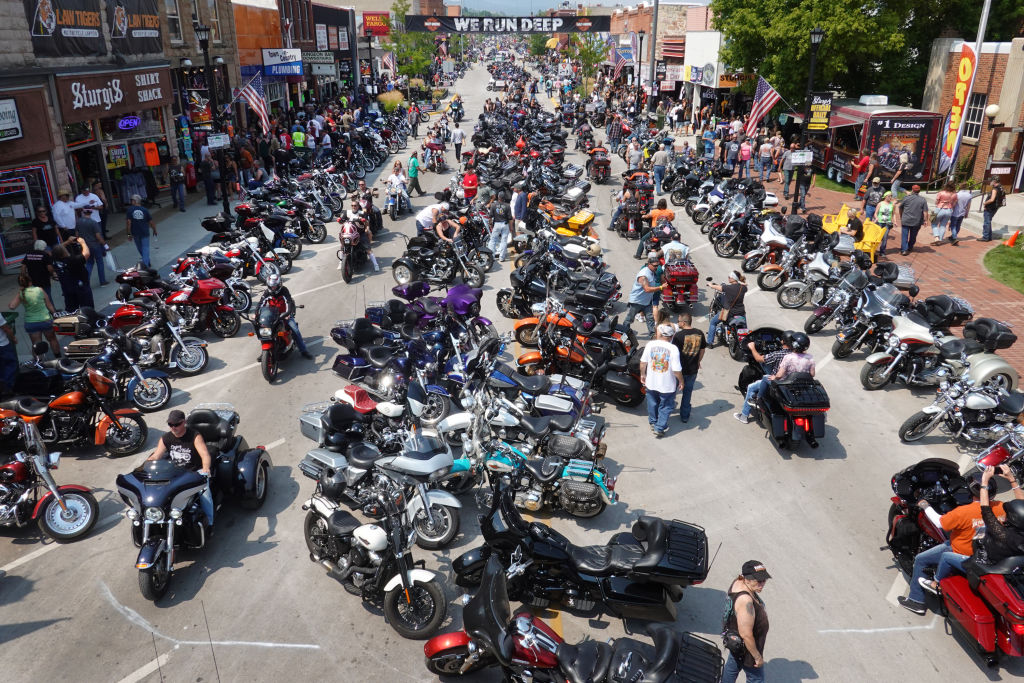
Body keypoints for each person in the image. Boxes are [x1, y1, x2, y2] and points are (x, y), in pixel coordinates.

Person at [899, 472, 1004, 615]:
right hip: (986, 554)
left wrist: (925, 505)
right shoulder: (1000, 507)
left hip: (960, 551)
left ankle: (916, 601)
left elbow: (939, 523)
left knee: (921, 560)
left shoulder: (963, 512)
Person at [147, 410, 215, 528]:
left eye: (176, 424)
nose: (173, 427)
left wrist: (205, 469)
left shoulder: (194, 436)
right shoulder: (165, 438)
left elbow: (205, 454)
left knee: (204, 493)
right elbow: (157, 455)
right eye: (170, 425)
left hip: (194, 472)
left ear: (184, 422)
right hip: (175, 473)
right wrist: (146, 465)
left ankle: (209, 523)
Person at [735, 331, 814, 423]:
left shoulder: (783, 355)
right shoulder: (808, 357)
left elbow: (762, 361)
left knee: (752, 387)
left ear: (783, 341)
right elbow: (812, 374)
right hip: (797, 383)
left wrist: (752, 348)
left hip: (782, 383)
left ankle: (745, 414)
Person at [966, 466, 1024, 570]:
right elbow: (1022, 505)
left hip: (985, 561)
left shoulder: (1005, 535)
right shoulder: (1019, 533)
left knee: (945, 557)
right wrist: (1012, 480)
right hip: (1008, 564)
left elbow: (986, 511)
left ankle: (936, 583)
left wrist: (984, 483)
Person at [722, 561, 771, 683]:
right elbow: (746, 635)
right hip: (747, 648)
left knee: (732, 666)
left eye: (764, 579)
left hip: (736, 643)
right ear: (747, 579)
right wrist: (757, 657)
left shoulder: (739, 580)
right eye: (758, 581)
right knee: (756, 678)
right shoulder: (745, 601)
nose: (762, 583)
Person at [640, 324, 683, 437]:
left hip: (651, 382)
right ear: (672, 336)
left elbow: (643, 362)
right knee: (666, 406)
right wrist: (682, 381)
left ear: (660, 334)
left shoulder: (650, 344)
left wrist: (642, 374)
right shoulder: (673, 349)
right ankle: (659, 427)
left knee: (652, 403)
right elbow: (676, 370)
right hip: (667, 385)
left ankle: (653, 422)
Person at [261, 273, 312, 358]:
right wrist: (256, 314)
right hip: (272, 315)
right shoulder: (267, 292)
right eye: (271, 286)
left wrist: (287, 313)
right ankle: (264, 352)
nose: (273, 288)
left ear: (279, 284)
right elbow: (260, 304)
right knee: (264, 331)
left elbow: (288, 302)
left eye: (275, 286)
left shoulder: (284, 290)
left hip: (284, 314)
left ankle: (303, 351)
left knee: (295, 331)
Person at [9, 273, 60, 358]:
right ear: (30, 281)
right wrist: (55, 314)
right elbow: (49, 305)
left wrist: (19, 292)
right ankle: (58, 359)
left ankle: (38, 364)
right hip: (46, 320)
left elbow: (12, 306)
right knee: (52, 339)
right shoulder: (40, 290)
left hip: (31, 323)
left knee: (36, 344)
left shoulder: (21, 293)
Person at [671, 312, 706, 424]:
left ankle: (667, 410)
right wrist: (698, 361)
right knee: (687, 393)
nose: (678, 323)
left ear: (683, 322)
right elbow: (702, 350)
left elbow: (673, 353)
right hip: (692, 370)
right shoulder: (699, 333)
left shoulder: (678, 336)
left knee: (672, 391)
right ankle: (685, 416)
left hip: (679, 371)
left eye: (678, 321)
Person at [624, 254, 662, 338]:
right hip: (637, 301)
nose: (657, 267)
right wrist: (661, 287)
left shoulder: (652, 272)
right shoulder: (644, 275)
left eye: (658, 265)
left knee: (650, 319)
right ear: (649, 264)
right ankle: (624, 333)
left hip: (646, 301)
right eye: (655, 266)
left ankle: (652, 336)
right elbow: (647, 289)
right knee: (629, 319)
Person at [52, 234, 93, 311]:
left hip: (67, 290)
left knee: (71, 310)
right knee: (87, 310)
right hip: (81, 288)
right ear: (63, 253)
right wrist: (83, 242)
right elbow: (86, 254)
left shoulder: (55, 261)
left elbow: (55, 251)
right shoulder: (72, 260)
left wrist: (68, 242)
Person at [707, 271, 747, 347]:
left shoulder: (728, 288)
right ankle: (745, 340)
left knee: (713, 322)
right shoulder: (744, 288)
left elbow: (717, 287)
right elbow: (744, 285)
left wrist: (710, 284)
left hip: (728, 312)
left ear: (733, 278)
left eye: (729, 277)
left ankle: (710, 342)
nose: (728, 278)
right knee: (744, 327)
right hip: (741, 312)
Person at [76, 208, 108, 286]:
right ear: (91, 212)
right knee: (99, 262)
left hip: (85, 246)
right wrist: (105, 245)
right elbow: (98, 236)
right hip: (95, 245)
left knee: (89, 264)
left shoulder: (78, 222)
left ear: (83, 212)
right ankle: (102, 281)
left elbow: (77, 234)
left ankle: (85, 281)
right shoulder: (93, 222)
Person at [126, 194, 158, 268]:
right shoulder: (145, 210)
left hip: (135, 233)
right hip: (144, 232)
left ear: (135, 201)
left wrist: (128, 234)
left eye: (132, 200)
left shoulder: (130, 210)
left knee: (140, 248)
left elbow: (128, 223)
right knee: (145, 248)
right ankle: (146, 261)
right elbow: (151, 221)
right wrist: (154, 230)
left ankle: (145, 265)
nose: (131, 202)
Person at [897, 185, 930, 255]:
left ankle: (904, 250)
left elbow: (900, 208)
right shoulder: (922, 200)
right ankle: (910, 246)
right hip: (916, 221)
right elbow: (925, 211)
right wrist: (926, 220)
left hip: (906, 219)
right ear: (919, 191)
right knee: (913, 235)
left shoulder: (906, 198)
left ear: (912, 190)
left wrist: (901, 216)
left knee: (904, 235)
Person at [488, 191, 513, 261]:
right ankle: (502, 257)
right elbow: (510, 218)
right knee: (504, 241)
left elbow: (490, 217)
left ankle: (491, 257)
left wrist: (490, 224)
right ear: (504, 197)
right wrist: (511, 227)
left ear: (498, 197)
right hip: (505, 224)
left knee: (493, 240)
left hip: (497, 224)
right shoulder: (507, 206)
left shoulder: (493, 205)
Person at [980, 177, 1004, 242]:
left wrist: (985, 203)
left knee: (986, 222)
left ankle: (985, 237)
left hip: (990, 208)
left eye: (992, 181)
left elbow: (992, 199)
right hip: (995, 207)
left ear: (995, 181)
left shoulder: (995, 189)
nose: (991, 182)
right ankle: (989, 236)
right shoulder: (1001, 187)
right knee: (988, 221)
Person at [0, 314, 17, 395]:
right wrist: (13, 338)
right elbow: (6, 328)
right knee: (10, 365)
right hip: (3, 345)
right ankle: (7, 389)